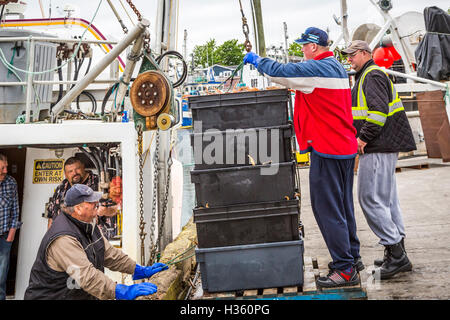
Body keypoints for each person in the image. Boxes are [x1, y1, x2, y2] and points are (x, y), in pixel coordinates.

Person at [244, 27, 362, 288]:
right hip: (344, 148)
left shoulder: (316, 69)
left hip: (327, 149)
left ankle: (344, 269)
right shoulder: (337, 68)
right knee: (343, 206)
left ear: (313, 47)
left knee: (326, 209)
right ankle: (353, 258)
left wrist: (256, 59)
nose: (301, 50)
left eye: (303, 46)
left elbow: (280, 73)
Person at [342, 40, 415, 279]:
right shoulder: (369, 74)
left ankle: (395, 252)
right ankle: (397, 249)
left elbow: (378, 112)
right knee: (387, 200)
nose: (349, 59)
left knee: (369, 198)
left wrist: (362, 139)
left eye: (352, 55)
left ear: (365, 53)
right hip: (384, 145)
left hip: (377, 145)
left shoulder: (371, 76)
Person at [24, 184, 168, 300]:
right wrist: (119, 290)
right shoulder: (63, 238)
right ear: (78, 209)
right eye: (91, 202)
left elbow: (109, 254)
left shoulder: (88, 223)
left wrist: (137, 269)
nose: (96, 203)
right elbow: (86, 276)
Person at [47, 157, 116, 239]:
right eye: (70, 171)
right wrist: (49, 237)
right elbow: (52, 216)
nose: (74, 173)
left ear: (83, 167)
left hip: (96, 240)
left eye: (77, 169)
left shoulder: (101, 183)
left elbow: (117, 209)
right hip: (65, 238)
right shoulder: (61, 188)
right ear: (65, 174)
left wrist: (105, 211)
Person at [0, 153, 22, 300]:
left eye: (6, 167)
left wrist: (11, 235)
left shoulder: (11, 182)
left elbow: (15, 210)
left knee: (1, 277)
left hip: (4, 237)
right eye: (2, 168)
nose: (5, 171)